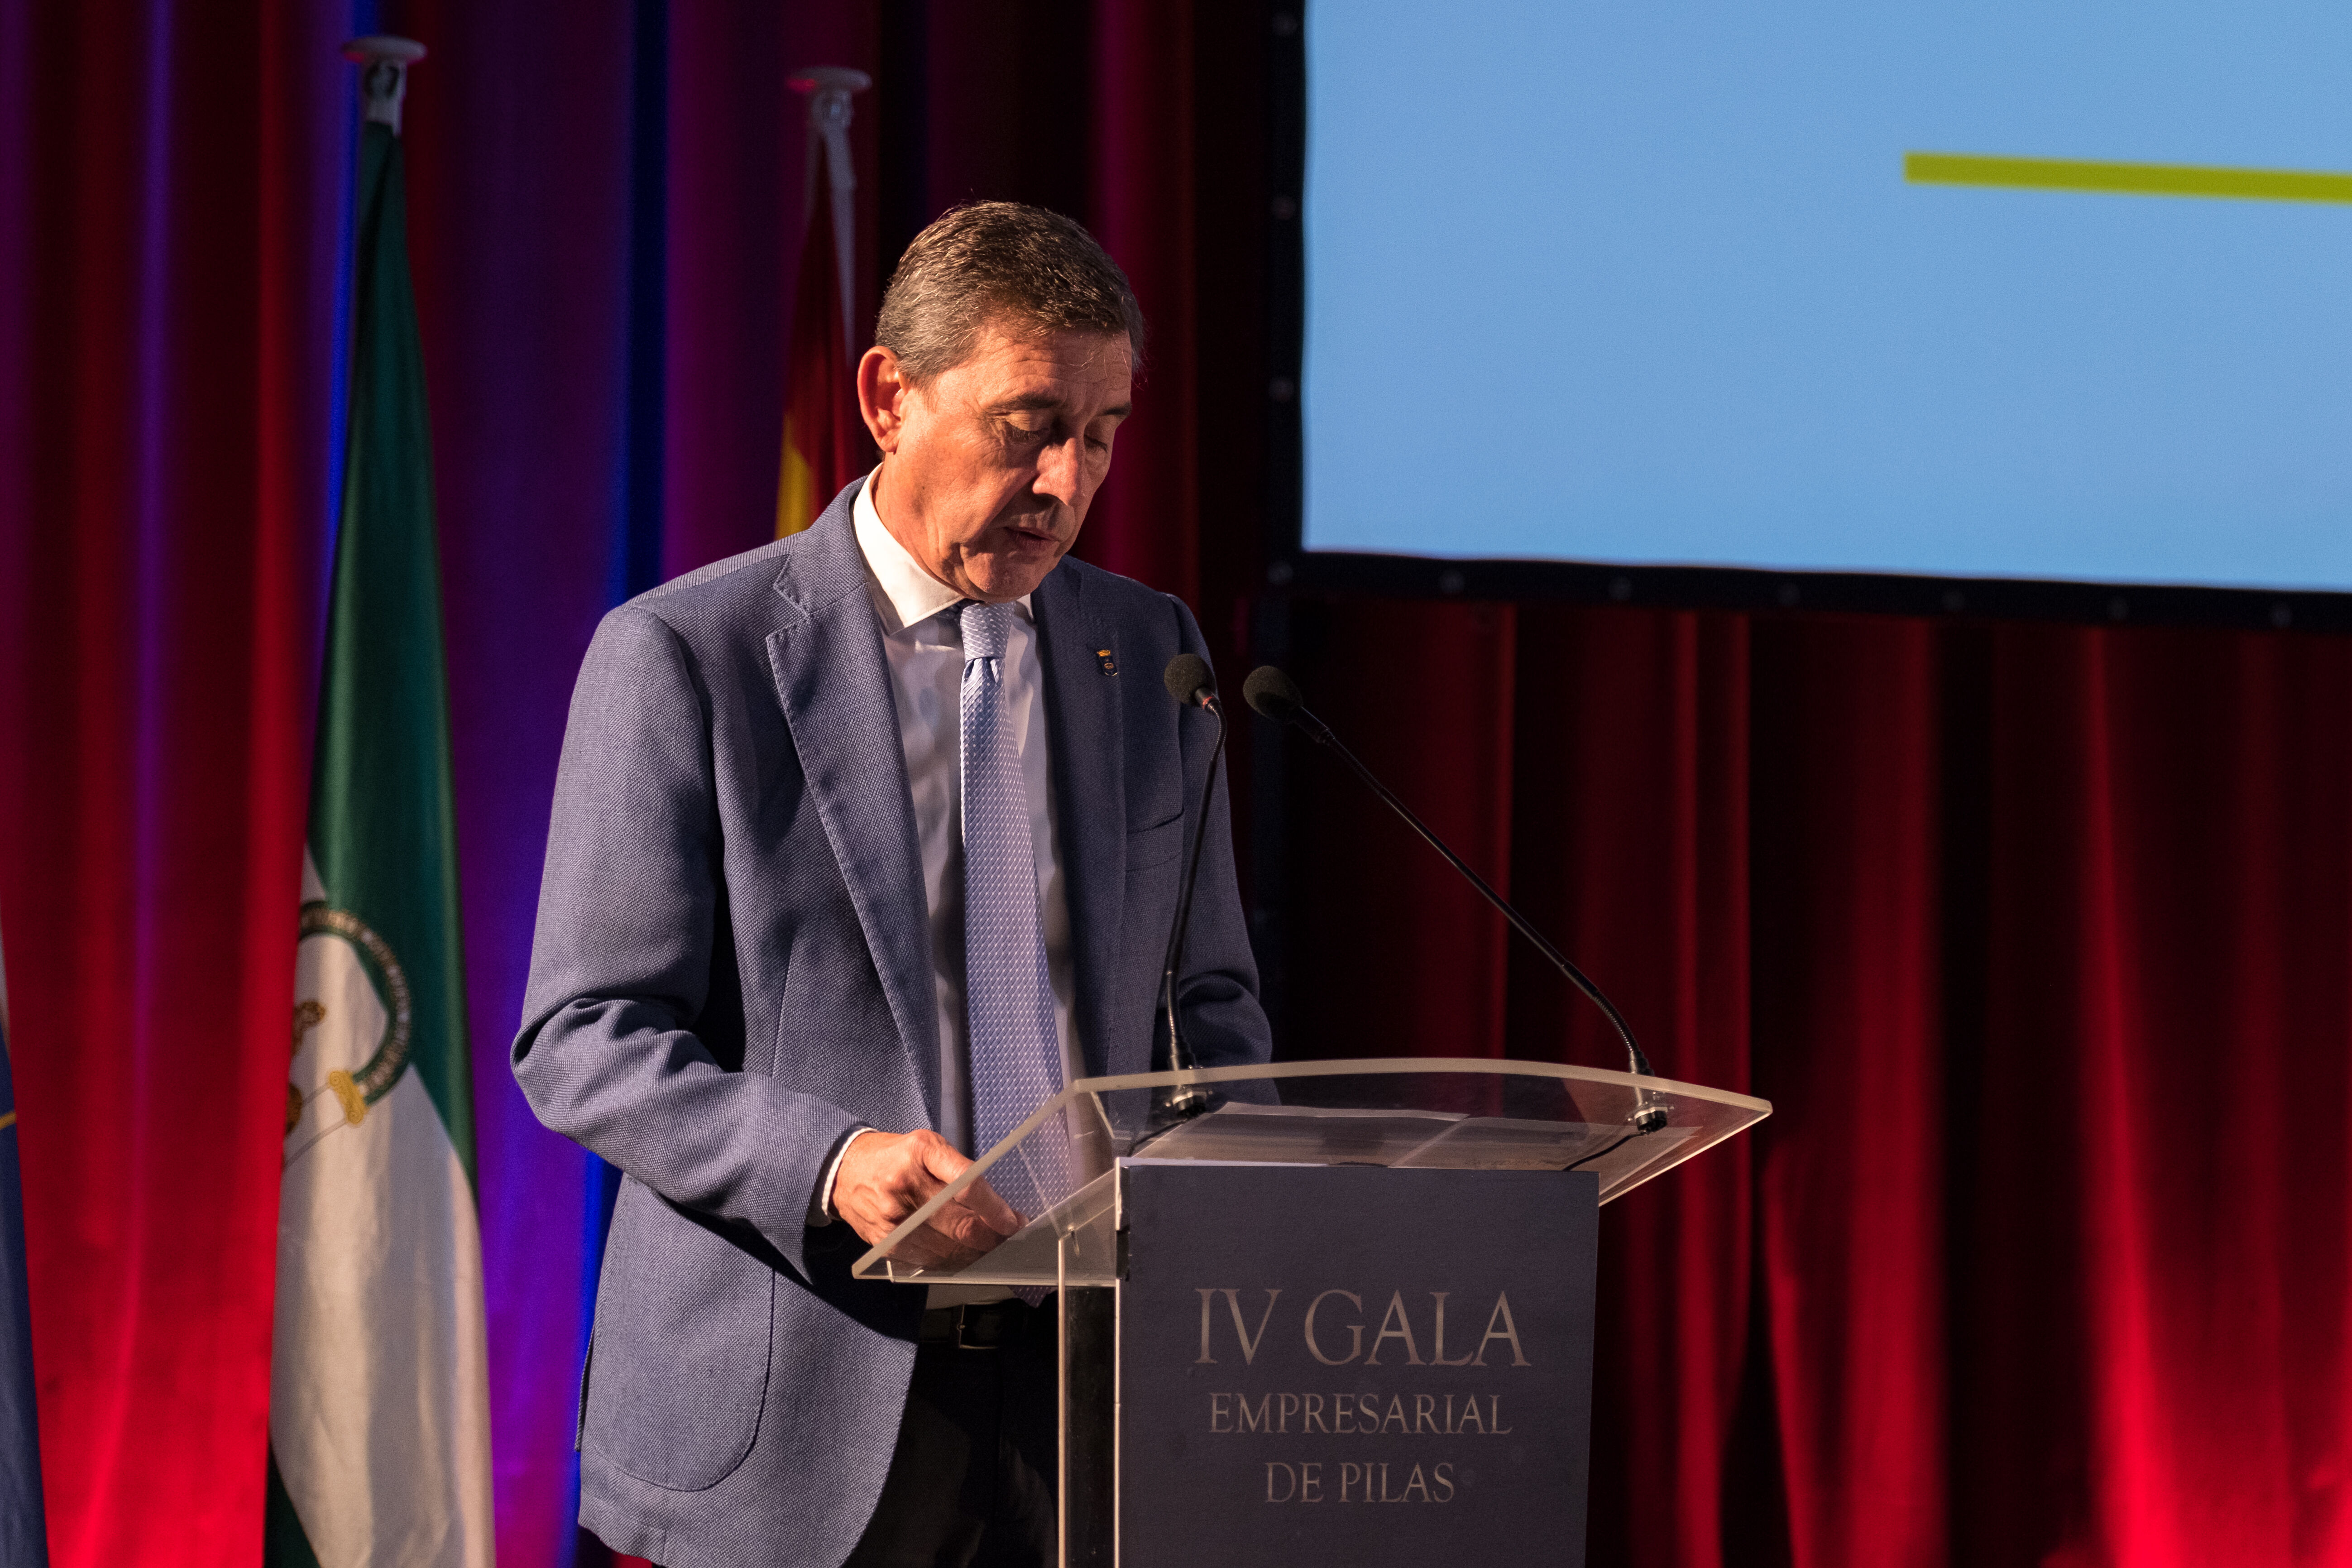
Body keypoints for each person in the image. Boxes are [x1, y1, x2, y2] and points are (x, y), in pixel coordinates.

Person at [513, 201, 1271, 1568]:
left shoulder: (1149, 650)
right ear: (887, 398)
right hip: (800, 1401)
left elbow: (1208, 1005)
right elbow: (583, 1039)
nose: (1066, 482)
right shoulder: (690, 654)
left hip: (1091, 1400)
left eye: (1102, 434)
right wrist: (829, 1163)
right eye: (1029, 425)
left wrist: (1231, 1197)